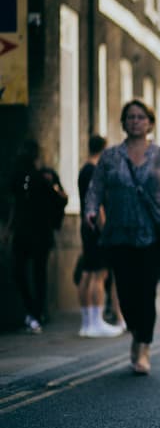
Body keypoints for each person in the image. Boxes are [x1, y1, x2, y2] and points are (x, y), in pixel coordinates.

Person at [85, 99, 160, 375]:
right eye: (130, 117)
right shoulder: (111, 157)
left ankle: (143, 347)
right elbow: (95, 188)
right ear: (123, 123)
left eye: (141, 117)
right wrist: (90, 209)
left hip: (152, 236)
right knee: (125, 294)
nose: (135, 121)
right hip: (118, 234)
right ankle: (137, 331)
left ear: (150, 123)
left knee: (146, 292)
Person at [7, 140, 68, 334]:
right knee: (34, 272)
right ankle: (36, 311)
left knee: (28, 271)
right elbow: (61, 200)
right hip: (35, 231)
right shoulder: (27, 177)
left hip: (33, 231)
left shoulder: (41, 176)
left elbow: (60, 200)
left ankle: (36, 311)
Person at [77, 135, 123, 337]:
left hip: (86, 225)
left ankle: (87, 322)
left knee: (87, 273)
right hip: (96, 227)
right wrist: (105, 230)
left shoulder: (84, 170)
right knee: (99, 274)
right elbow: (98, 203)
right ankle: (95, 322)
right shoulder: (95, 171)